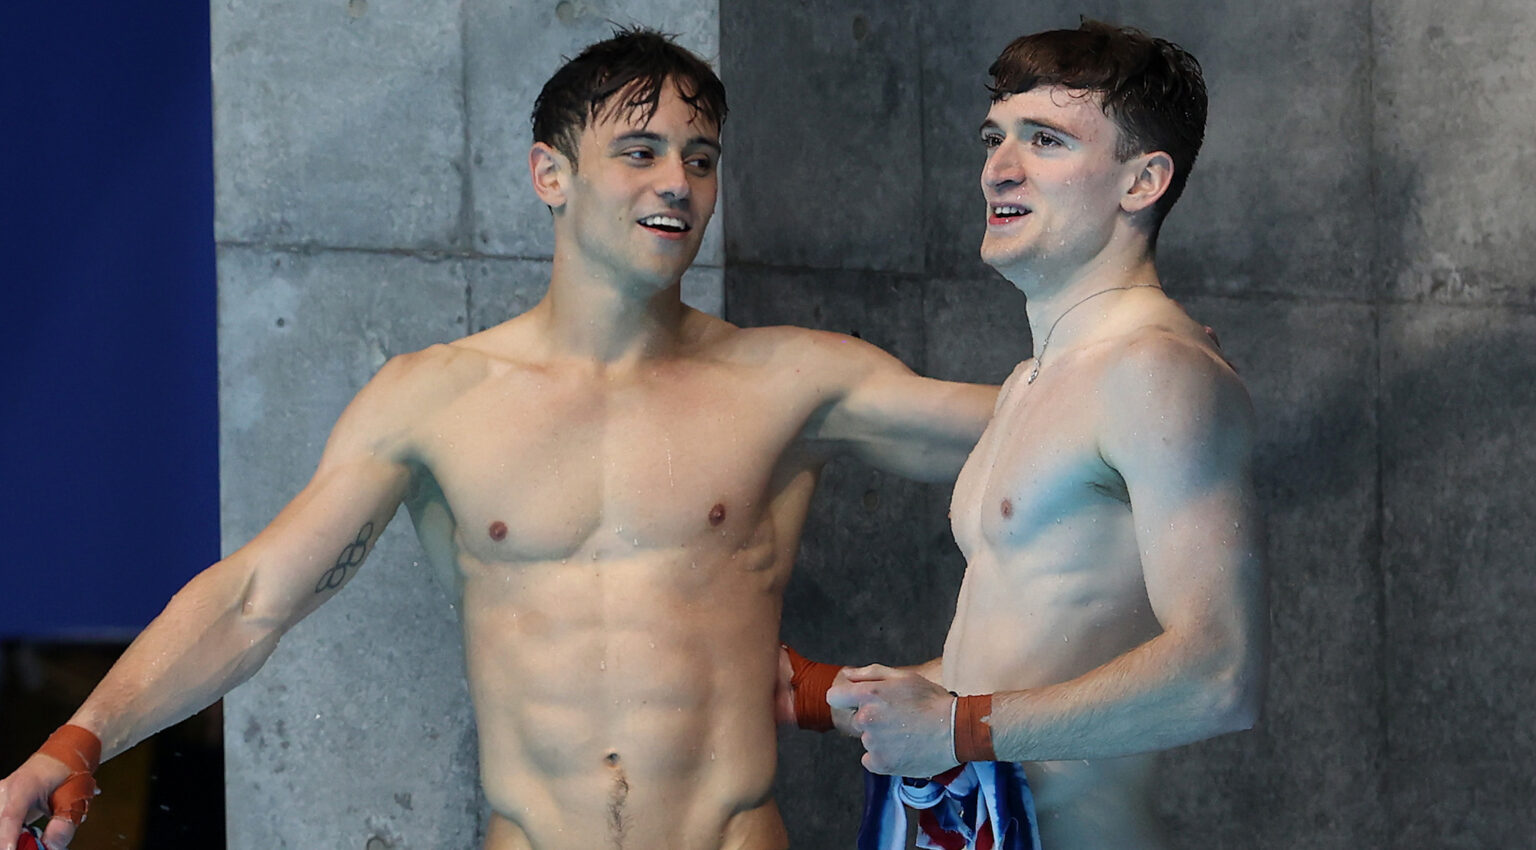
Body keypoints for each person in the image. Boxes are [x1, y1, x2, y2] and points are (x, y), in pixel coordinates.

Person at [0, 28, 996, 850]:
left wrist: (1129, 327)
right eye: (638, 151)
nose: (679, 184)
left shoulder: (795, 381)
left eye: (701, 158)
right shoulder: (437, 398)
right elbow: (255, 598)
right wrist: (85, 735)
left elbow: (1042, 441)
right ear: (549, 175)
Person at [789, 21, 1268, 849]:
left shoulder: (1156, 370)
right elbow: (1015, 665)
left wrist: (960, 730)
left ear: (1142, 180)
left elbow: (1220, 674)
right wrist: (822, 692)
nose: (998, 168)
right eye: (995, 137)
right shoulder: (1030, 383)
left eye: (1046, 140)